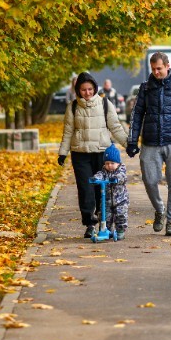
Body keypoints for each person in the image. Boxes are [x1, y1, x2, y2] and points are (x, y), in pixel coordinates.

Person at [127, 52, 171, 236]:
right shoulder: (145, 88)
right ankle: (159, 210)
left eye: (159, 68)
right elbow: (137, 115)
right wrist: (132, 140)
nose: (156, 72)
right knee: (149, 180)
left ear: (167, 66)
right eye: (153, 69)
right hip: (150, 142)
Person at [58, 71, 130, 239]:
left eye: (90, 89)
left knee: (101, 190)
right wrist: (63, 153)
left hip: (101, 154)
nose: (87, 93)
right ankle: (89, 224)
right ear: (78, 90)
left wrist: (128, 145)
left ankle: (103, 223)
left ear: (95, 88)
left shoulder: (105, 104)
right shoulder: (73, 107)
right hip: (80, 154)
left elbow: (116, 127)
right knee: (85, 190)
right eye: (83, 90)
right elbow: (68, 132)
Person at [90, 144, 129, 240]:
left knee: (121, 215)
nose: (109, 166)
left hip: (120, 200)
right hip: (106, 200)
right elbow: (100, 175)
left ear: (118, 163)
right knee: (104, 215)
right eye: (107, 163)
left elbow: (122, 177)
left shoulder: (121, 170)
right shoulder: (104, 171)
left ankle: (120, 231)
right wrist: (95, 179)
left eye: (112, 163)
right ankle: (105, 229)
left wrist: (115, 178)